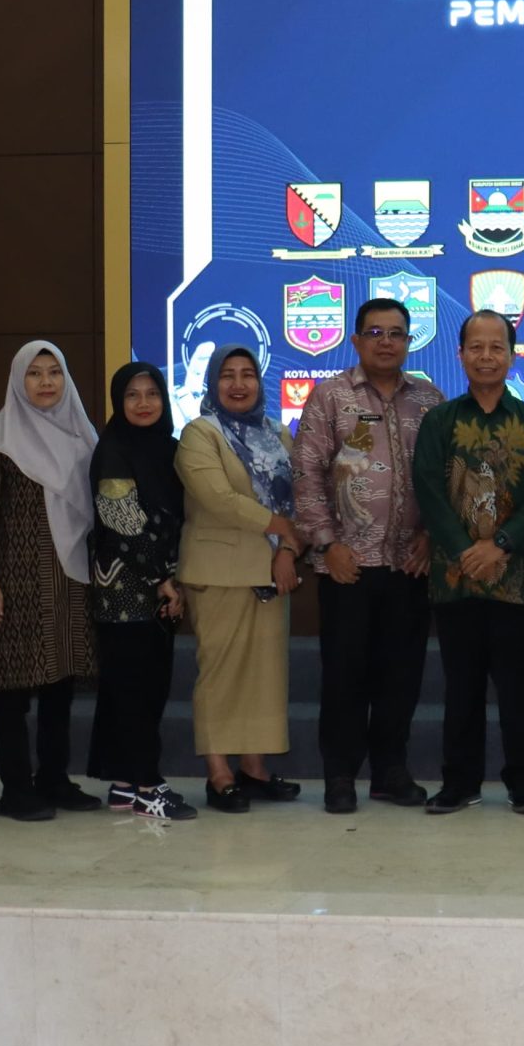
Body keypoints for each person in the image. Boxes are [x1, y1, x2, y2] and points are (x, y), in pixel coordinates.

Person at [291, 297, 441, 813]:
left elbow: (446, 479)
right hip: (347, 566)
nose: (386, 342)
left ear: (409, 341)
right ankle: (339, 776)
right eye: (375, 332)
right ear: (355, 340)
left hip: (409, 563)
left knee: (401, 677)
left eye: (396, 333)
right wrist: (327, 544)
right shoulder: (330, 396)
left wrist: (432, 537)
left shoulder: (429, 400)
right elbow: (306, 473)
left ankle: (390, 773)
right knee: (345, 677)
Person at [413, 310, 524, 815]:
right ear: (460, 355)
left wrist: (501, 543)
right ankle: (459, 783)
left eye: (497, 347)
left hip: (516, 577)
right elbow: (428, 490)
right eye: (476, 346)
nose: (487, 356)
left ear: (512, 356)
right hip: (455, 579)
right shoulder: (440, 421)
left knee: (519, 688)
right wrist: (464, 549)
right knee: (462, 688)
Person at [0, 342, 102, 822]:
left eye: (54, 372)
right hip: (14, 582)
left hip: (70, 580)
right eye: (34, 373)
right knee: (13, 690)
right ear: (17, 380)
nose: (46, 382)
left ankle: (54, 780)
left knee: (60, 686)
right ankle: (16, 789)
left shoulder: (82, 435)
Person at [176, 346, 301, 813]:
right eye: (227, 375)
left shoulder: (277, 433)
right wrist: (281, 527)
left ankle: (254, 769)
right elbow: (217, 498)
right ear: (213, 382)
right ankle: (219, 775)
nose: (238, 384)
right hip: (219, 572)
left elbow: (299, 497)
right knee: (221, 676)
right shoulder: (199, 433)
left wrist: (288, 550)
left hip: (272, 570)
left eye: (248, 374)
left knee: (264, 677)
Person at [86, 361, 195, 821]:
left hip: (161, 587)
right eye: (132, 395)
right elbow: (123, 523)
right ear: (119, 401)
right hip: (125, 592)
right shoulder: (112, 449)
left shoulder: (169, 449)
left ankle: (126, 782)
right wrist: (163, 579)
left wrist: (172, 576)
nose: (144, 403)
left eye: (152, 394)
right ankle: (149, 787)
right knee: (134, 690)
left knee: (144, 689)